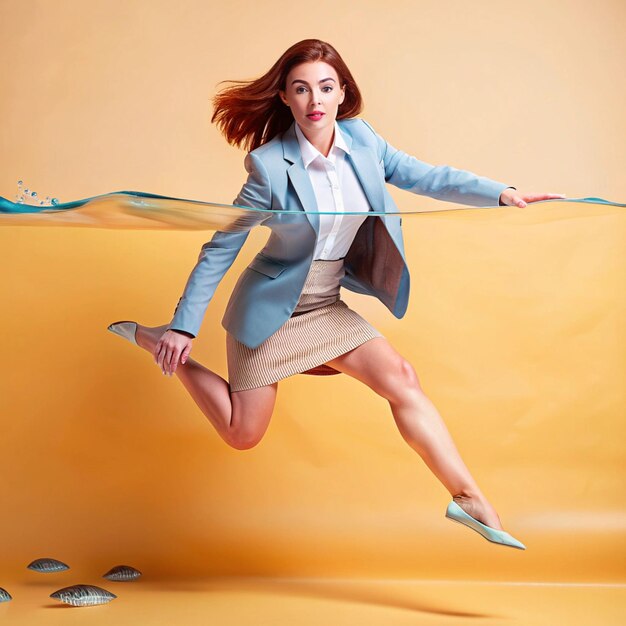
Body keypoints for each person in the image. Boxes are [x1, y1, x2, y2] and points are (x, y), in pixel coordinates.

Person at [108, 39, 565, 549]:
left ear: (343, 91)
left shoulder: (364, 141)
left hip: (324, 304)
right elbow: (223, 245)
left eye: (325, 87)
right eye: (300, 89)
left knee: (402, 378)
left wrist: (500, 193)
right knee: (242, 433)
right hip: (271, 310)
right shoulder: (267, 165)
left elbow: (428, 176)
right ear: (284, 96)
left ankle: (469, 498)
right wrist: (182, 326)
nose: (314, 100)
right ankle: (157, 341)